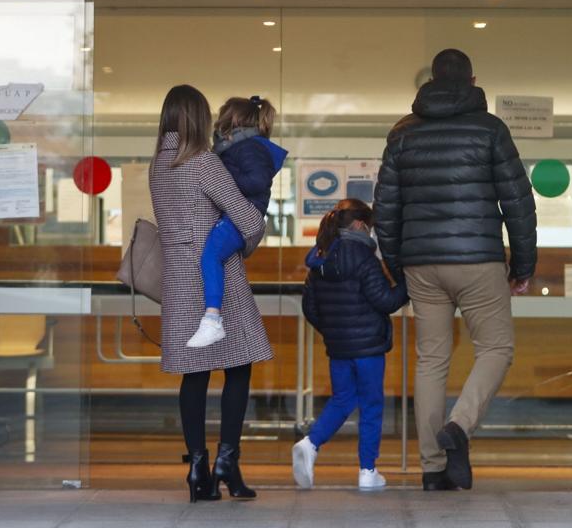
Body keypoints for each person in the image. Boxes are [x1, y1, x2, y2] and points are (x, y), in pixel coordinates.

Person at [374, 49, 537, 492]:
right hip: (478, 259)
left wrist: (397, 266)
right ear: (473, 80)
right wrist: (523, 266)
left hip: (421, 264)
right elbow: (518, 202)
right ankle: (460, 427)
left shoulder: (402, 134)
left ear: (428, 83)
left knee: (431, 361)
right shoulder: (489, 130)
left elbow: (385, 209)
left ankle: (431, 469)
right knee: (496, 349)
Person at [149, 85, 272, 503]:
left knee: (195, 375)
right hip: (218, 278)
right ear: (199, 119)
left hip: (179, 280)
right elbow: (247, 218)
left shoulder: (158, 164)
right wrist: (249, 236)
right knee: (238, 367)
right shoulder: (203, 163)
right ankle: (228, 462)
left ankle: (198, 471)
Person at [292, 199, 408, 491]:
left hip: (339, 348)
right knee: (370, 406)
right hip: (368, 348)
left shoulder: (320, 259)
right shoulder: (364, 257)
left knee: (343, 399)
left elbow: (310, 306)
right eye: (369, 228)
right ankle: (367, 471)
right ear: (359, 225)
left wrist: (333, 330)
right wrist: (407, 286)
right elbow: (385, 300)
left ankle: (311, 442)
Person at [187, 96, 288, 348]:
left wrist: (223, 180)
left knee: (210, 255)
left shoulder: (249, 147)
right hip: (238, 214)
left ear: (233, 119)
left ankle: (212, 319)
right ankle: (212, 317)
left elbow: (257, 181)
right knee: (212, 256)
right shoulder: (238, 147)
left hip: (243, 214)